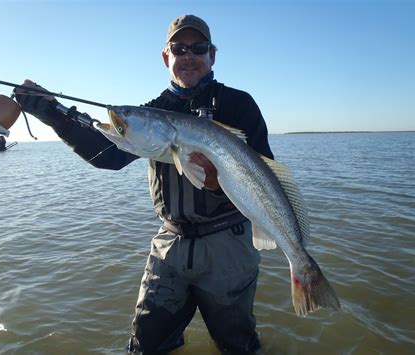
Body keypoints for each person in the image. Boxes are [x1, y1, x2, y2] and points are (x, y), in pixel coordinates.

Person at [15, 14, 274, 354]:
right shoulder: (151, 113)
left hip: (228, 244)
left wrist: (216, 182)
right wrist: (52, 114)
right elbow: (107, 154)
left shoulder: (239, 104)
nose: (188, 56)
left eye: (198, 48)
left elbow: (262, 176)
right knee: (146, 346)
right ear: (166, 58)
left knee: (237, 346)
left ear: (213, 55)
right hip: (170, 244)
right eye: (179, 49)